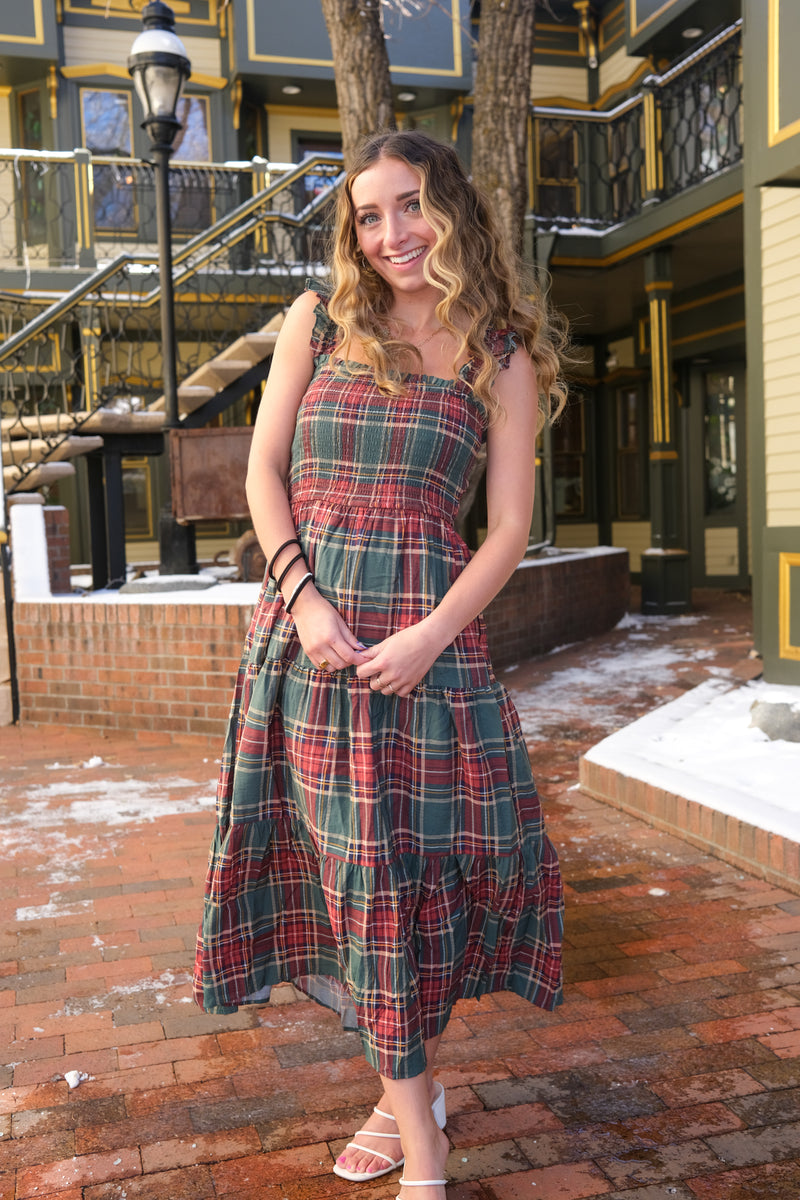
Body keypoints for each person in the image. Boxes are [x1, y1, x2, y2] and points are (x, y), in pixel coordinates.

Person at [194, 129, 566, 1200]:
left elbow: (503, 533)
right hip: (313, 649)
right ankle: (424, 1140)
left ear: (447, 208)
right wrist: (303, 601)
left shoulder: (498, 352)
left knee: (417, 881)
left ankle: (402, 1095)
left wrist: (428, 638)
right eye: (367, 215)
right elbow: (263, 475)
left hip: (426, 654)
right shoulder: (316, 321)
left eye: (409, 205)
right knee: (350, 879)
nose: (391, 232)